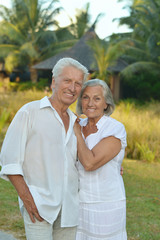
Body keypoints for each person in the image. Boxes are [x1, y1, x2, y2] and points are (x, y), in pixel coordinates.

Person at [0, 57, 88, 240]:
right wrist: (28, 199)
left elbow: (81, 162)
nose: (72, 88)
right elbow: (10, 160)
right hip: (39, 208)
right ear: (54, 81)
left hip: (69, 211)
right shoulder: (29, 112)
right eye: (67, 81)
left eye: (78, 83)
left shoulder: (76, 122)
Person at [74, 79, 127, 240]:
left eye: (97, 98)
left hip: (105, 204)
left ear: (106, 103)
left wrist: (76, 132)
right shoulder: (78, 124)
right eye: (85, 97)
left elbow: (90, 163)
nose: (90, 103)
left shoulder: (115, 128)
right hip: (77, 203)